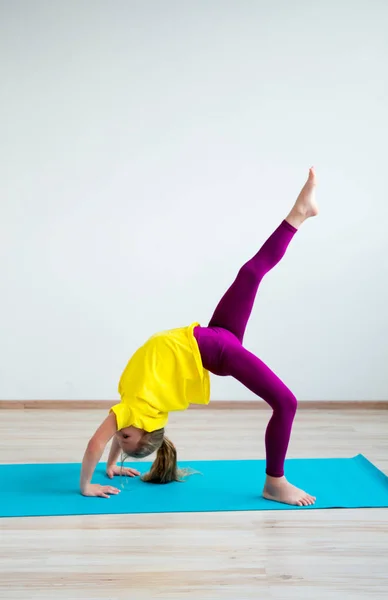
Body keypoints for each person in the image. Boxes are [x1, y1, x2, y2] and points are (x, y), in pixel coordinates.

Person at [80, 168, 318, 506]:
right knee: (286, 403)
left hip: (212, 337)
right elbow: (96, 443)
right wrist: (86, 486)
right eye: (126, 435)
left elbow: (113, 440)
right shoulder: (136, 412)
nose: (118, 433)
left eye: (122, 436)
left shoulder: (131, 412)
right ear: (146, 429)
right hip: (214, 350)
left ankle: (300, 213)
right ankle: (274, 482)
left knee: (250, 273)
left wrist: (113, 465)